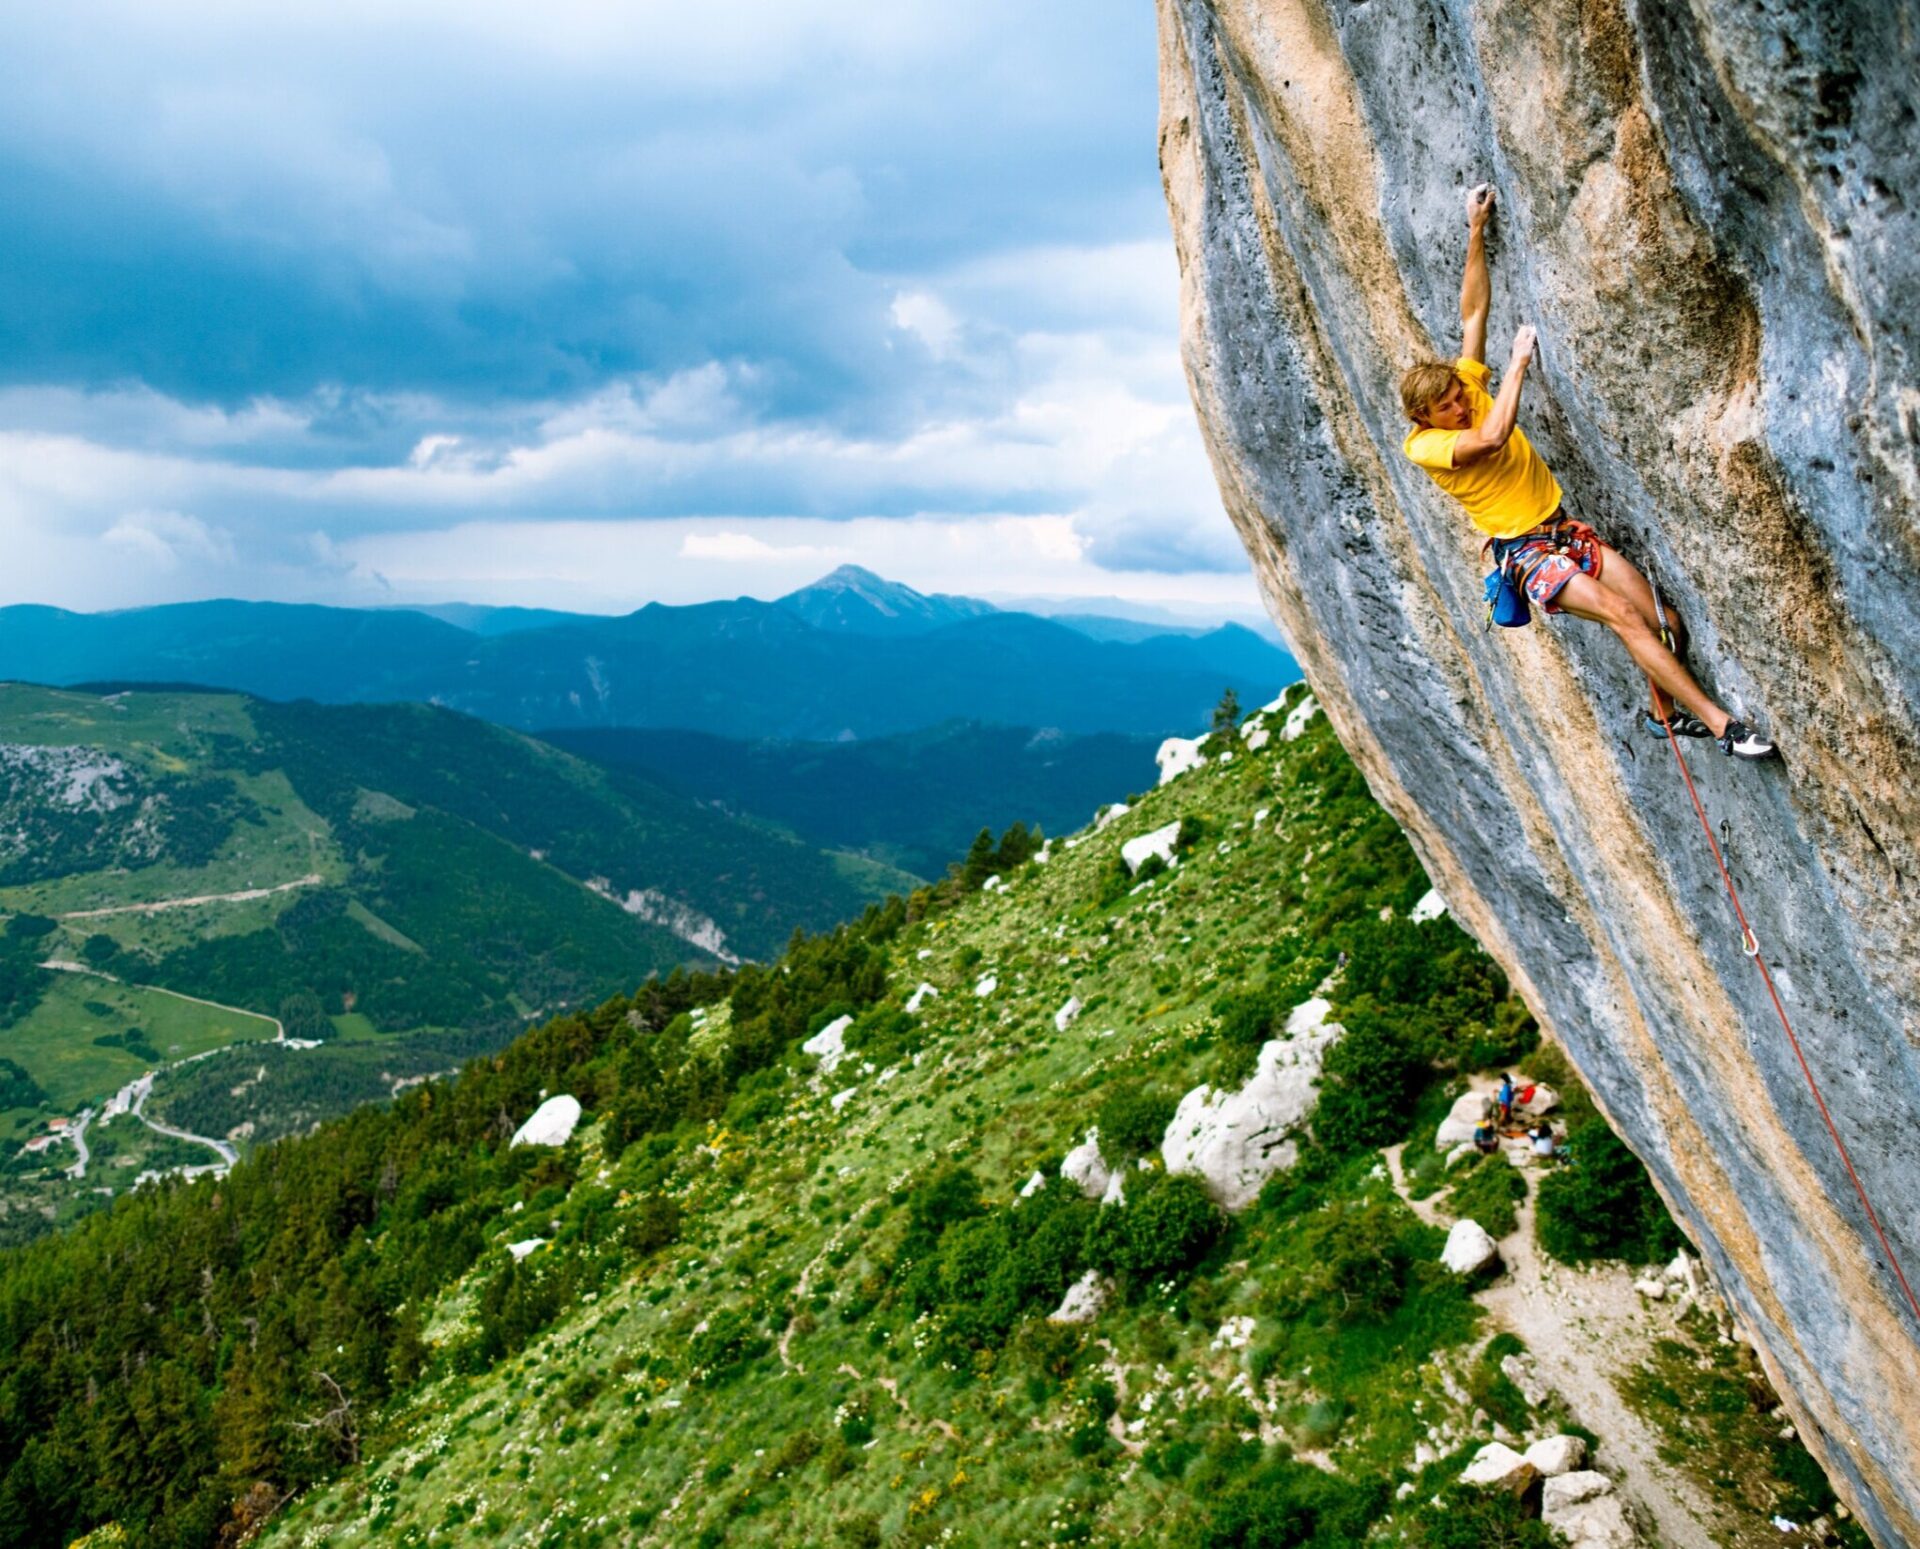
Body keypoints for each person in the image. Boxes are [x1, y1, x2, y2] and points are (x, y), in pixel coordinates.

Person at [1400, 184, 1777, 762]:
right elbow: (1492, 437)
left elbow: (1473, 310)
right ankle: (1724, 725)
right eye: (1448, 404)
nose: (1461, 403)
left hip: (1562, 532)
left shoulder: (1469, 390)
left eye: (1459, 392)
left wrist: (1475, 227)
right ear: (1425, 417)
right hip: (1526, 555)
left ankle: (1663, 718)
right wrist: (1519, 364)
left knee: (1665, 621)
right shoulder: (1426, 447)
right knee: (1625, 617)